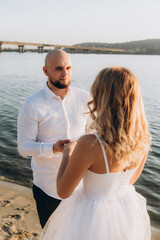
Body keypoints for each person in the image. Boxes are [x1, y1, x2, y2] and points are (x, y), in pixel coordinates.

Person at [39, 67, 151, 240]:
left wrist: (68, 154)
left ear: (102, 97)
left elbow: (63, 192)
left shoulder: (89, 144)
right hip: (125, 210)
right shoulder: (143, 138)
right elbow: (131, 180)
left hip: (90, 215)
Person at [17, 49, 89, 228]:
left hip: (82, 188)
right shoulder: (32, 105)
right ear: (45, 71)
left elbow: (94, 132)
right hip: (48, 189)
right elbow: (24, 147)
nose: (65, 74)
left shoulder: (85, 97)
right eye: (59, 69)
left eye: (68, 67)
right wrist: (53, 148)